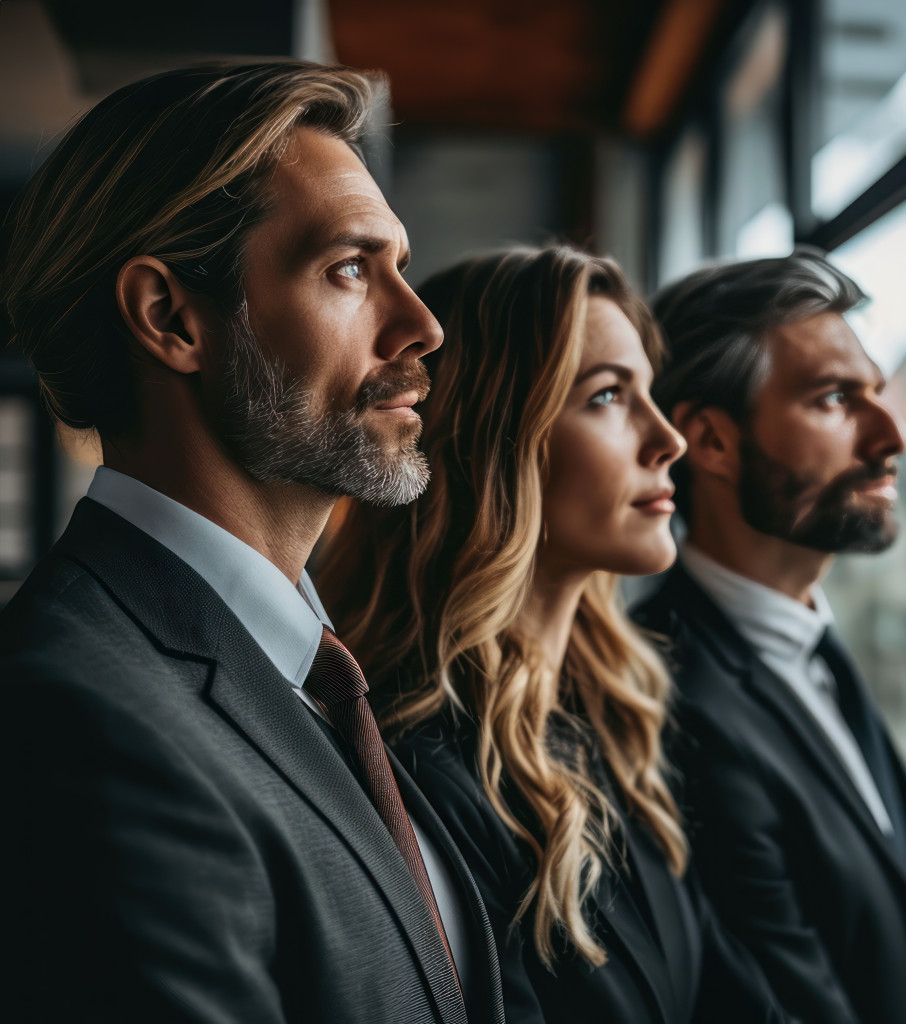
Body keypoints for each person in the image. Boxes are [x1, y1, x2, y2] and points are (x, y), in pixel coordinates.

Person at [0, 62, 502, 1023]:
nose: (422, 325)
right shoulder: (76, 715)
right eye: (349, 269)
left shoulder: (309, 669)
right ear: (170, 318)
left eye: (399, 264)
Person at [319, 244, 788, 1024]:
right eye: (608, 397)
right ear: (494, 440)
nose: (668, 438)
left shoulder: (611, 710)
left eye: (650, 392)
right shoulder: (408, 759)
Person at [631, 250, 906, 1024]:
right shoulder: (658, 696)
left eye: (878, 396)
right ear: (711, 441)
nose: (892, 437)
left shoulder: (815, 648)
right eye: (834, 400)